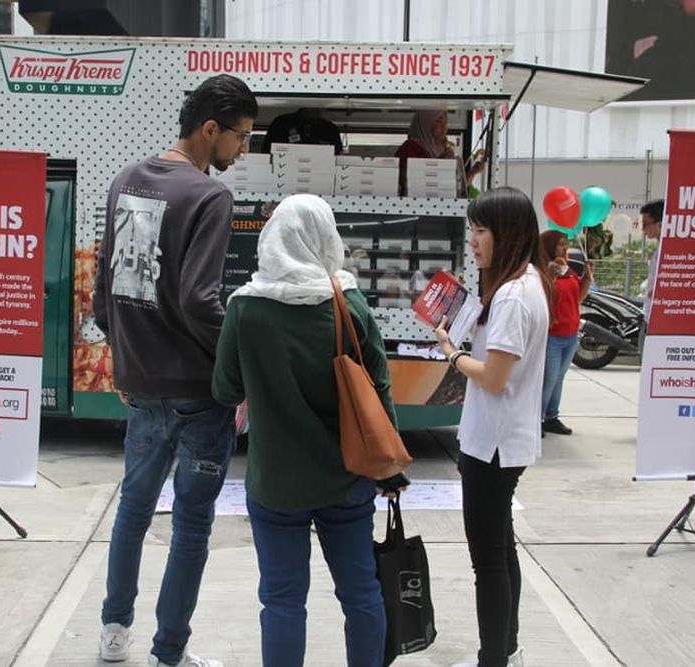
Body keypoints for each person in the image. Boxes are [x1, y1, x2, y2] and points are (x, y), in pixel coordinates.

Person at [92, 74, 258, 667]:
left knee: (134, 509)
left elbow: (103, 289)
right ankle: (169, 653)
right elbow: (198, 300)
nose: (242, 151)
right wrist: (239, 360)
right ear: (210, 129)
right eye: (240, 137)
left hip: (140, 386)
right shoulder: (209, 197)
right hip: (196, 391)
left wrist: (127, 357)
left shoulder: (124, 180)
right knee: (190, 523)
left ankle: (114, 631)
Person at [212, 194, 407, 667]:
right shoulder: (349, 303)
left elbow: (224, 389)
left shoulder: (247, 308)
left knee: (281, 600)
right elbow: (379, 386)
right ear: (326, 237)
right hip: (348, 475)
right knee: (361, 591)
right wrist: (389, 468)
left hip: (276, 482)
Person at [434, 187, 552, 667]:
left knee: (489, 560)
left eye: (481, 231)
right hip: (503, 439)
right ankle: (506, 651)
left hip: (494, 445)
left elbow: (495, 376)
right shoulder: (526, 283)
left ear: (508, 233)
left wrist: (453, 353)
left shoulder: (511, 296)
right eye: (472, 230)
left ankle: (494, 659)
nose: (474, 241)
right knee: (501, 551)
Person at [539, 230, 592, 436]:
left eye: (566, 244)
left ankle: (551, 416)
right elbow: (543, 297)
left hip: (570, 333)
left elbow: (577, 298)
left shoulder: (567, 269)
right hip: (552, 334)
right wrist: (550, 277)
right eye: (560, 244)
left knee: (559, 378)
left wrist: (586, 278)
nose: (564, 248)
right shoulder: (542, 270)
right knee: (549, 379)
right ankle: (537, 417)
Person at [395, 109, 484, 197]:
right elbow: (418, 185)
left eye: (446, 123)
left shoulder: (438, 148)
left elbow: (451, 187)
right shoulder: (409, 149)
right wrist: (441, 163)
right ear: (426, 124)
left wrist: (473, 172)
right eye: (439, 122)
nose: (444, 127)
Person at [261, 108, 343, 154]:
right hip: (284, 171)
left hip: (320, 175)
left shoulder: (329, 128)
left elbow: (337, 156)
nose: (318, 110)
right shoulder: (282, 122)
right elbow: (267, 151)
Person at [640, 199, 664, 349]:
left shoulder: (669, 252)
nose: (643, 230)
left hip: (658, 320)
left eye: (646, 225)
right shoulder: (658, 250)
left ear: (660, 223)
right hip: (650, 315)